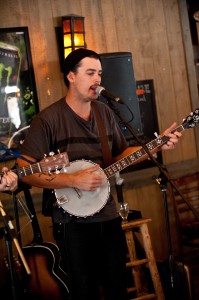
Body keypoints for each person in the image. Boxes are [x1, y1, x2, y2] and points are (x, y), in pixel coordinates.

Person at [16, 48, 182, 300]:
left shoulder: (104, 113)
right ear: (71, 76)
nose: (97, 80)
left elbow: (117, 157)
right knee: (85, 292)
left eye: (100, 74)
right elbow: (24, 171)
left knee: (117, 288)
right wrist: (73, 180)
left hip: (108, 215)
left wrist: (155, 146)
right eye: (90, 72)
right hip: (72, 224)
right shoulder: (47, 119)